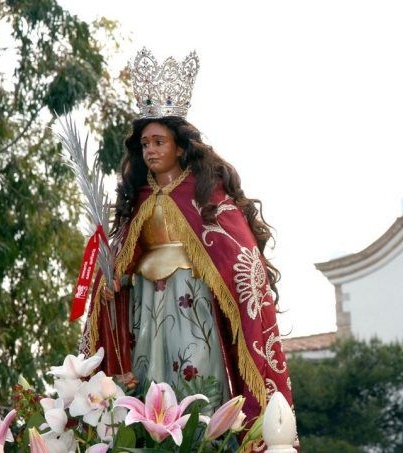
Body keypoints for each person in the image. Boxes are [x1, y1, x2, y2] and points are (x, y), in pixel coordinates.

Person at [79, 48, 295, 450]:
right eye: (145, 143)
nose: (150, 150)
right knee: (147, 376)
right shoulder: (138, 198)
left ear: (180, 147)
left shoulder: (205, 194)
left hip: (191, 300)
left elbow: (238, 255)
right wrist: (112, 282)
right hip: (145, 304)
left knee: (194, 374)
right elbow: (122, 259)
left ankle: (201, 442)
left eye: (159, 142)